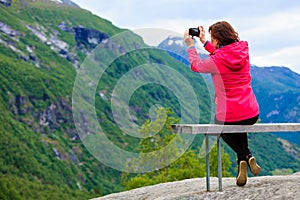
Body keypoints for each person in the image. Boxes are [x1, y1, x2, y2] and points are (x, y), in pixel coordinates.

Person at [184, 21, 261, 187]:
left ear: (217, 40)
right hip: (252, 113)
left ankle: (246, 155)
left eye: (213, 39)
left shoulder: (217, 60)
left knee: (221, 128)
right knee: (239, 127)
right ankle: (242, 161)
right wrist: (204, 42)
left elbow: (195, 65)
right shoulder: (242, 52)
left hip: (229, 115)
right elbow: (224, 56)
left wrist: (191, 46)